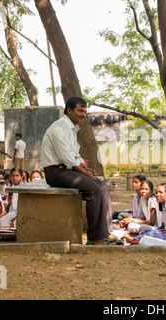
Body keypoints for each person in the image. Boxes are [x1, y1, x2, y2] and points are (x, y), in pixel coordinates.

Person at [41, 96, 112, 245]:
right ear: (69, 110)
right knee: (94, 190)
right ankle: (96, 239)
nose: (83, 115)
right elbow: (66, 157)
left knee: (103, 188)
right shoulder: (59, 128)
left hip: (69, 171)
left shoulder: (71, 129)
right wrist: (84, 173)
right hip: (56, 173)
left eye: (85, 112)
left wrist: (86, 169)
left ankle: (105, 232)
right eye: (80, 111)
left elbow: (75, 155)